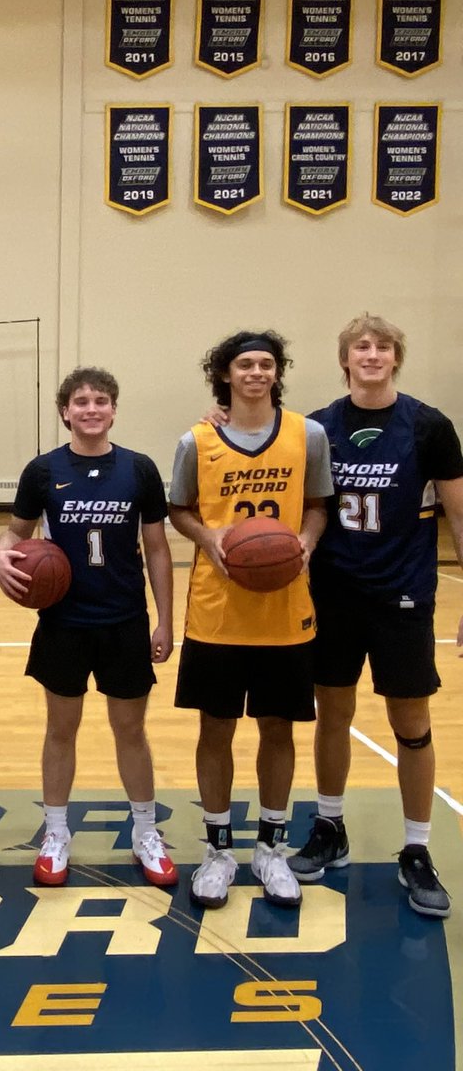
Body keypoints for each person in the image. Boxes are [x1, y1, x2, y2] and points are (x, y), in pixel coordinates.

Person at [286, 314, 463, 917]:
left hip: (403, 594)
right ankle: (330, 827)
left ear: (395, 359)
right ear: (346, 360)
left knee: (411, 722)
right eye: (361, 346)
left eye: (383, 347)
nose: (372, 354)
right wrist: (220, 418)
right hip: (334, 593)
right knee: (332, 714)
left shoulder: (429, 426)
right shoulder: (318, 428)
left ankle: (417, 849)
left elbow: (460, 514)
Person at [0, 367, 176, 888]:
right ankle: (55, 832)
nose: (91, 409)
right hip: (64, 622)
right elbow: (15, 534)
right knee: (60, 729)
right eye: (81, 402)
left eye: (100, 401)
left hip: (124, 620)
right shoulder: (43, 471)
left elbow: (157, 549)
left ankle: (146, 832)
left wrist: (165, 621)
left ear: (113, 410)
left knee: (131, 731)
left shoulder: (139, 469)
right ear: (65, 412)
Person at [168, 330, 332, 911]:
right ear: (225, 374)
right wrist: (208, 536)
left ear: (277, 372)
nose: (256, 372)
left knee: (278, 729)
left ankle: (271, 848)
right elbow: (179, 509)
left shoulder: (308, 435)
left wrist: (306, 543)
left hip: (285, 610)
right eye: (245, 364)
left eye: (266, 364)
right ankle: (217, 851)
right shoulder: (196, 440)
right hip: (217, 612)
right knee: (215, 729)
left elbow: (318, 506)